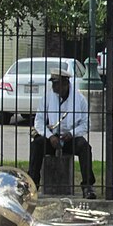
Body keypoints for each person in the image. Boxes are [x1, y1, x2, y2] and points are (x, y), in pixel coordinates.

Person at [29, 68, 96, 199]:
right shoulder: (47, 97)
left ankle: (87, 186)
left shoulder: (80, 100)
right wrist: (50, 136)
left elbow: (85, 124)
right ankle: (32, 185)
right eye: (53, 83)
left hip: (69, 138)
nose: (53, 86)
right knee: (37, 144)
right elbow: (39, 121)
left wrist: (72, 133)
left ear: (65, 84)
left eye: (56, 83)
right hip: (51, 137)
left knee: (84, 147)